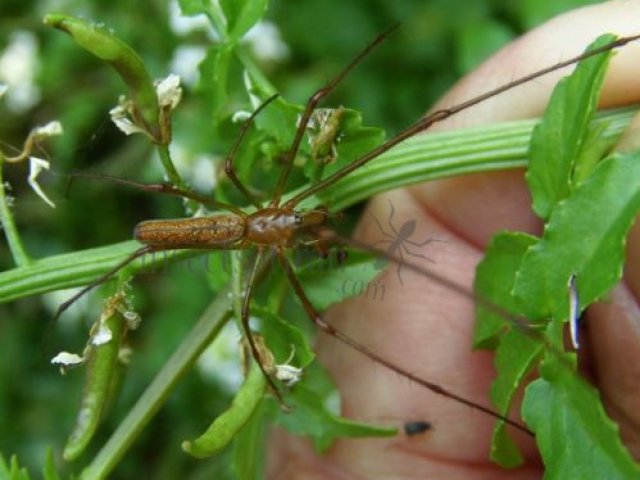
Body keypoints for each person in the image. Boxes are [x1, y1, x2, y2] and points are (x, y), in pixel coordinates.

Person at [267, 2, 640, 478]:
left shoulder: (304, 221)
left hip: (272, 224)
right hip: (250, 231)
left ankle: (385, 35)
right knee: (355, 299)